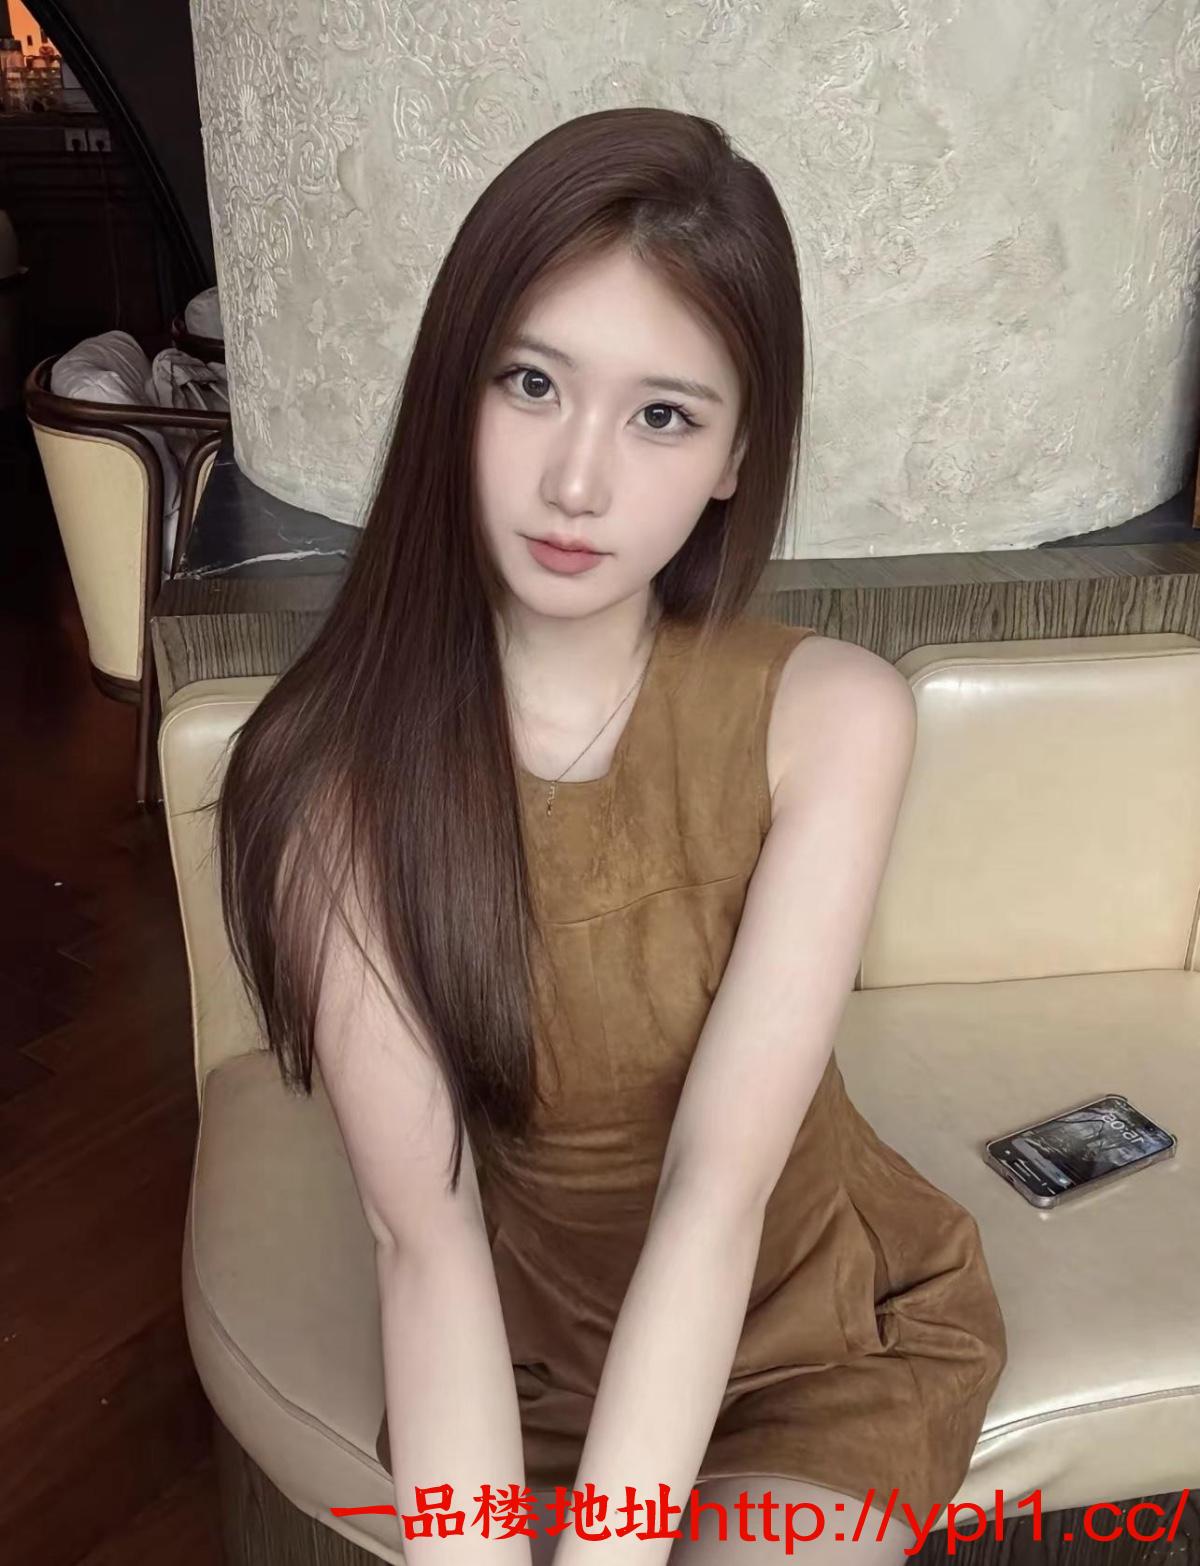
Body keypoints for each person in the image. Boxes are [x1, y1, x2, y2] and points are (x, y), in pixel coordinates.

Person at [210, 107, 1007, 1566]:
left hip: (813, 1340)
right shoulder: (336, 778)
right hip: (520, 1367)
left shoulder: (831, 719)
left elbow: (718, 1192)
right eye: (532, 383)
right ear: (454, 385)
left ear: (734, 453)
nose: (578, 482)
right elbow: (422, 1236)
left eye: (663, 416)